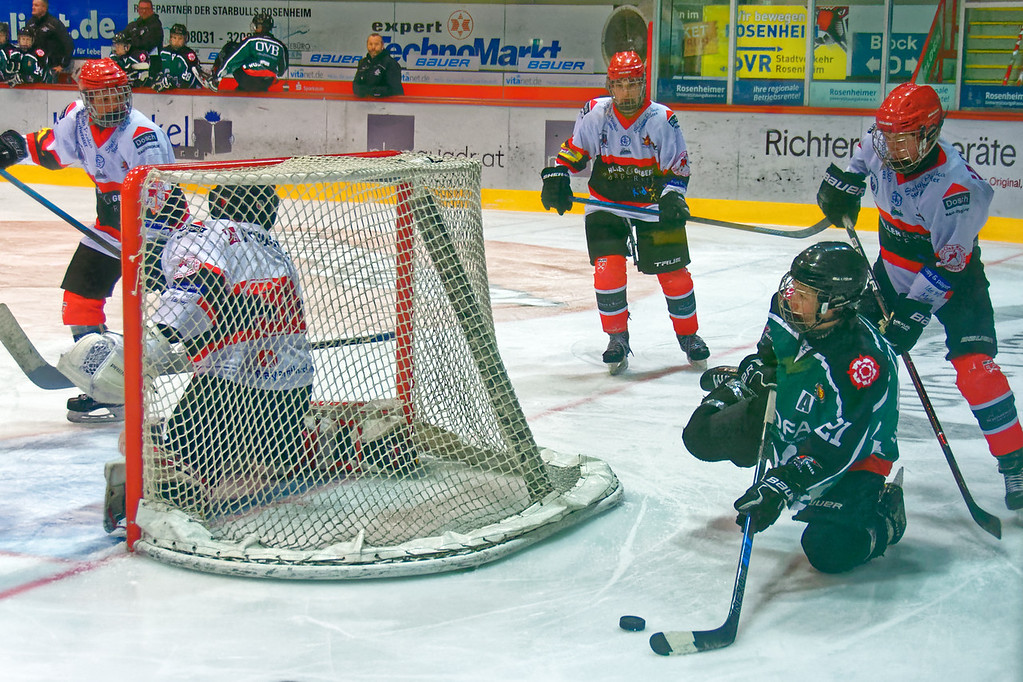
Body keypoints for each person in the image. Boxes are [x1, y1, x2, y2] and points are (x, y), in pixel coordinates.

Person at [816, 82, 1023, 511]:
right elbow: (859, 162)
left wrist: (914, 312)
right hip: (890, 275)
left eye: (903, 137)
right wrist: (843, 185)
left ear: (929, 135)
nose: (890, 146)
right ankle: (848, 456)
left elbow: (950, 263)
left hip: (954, 282)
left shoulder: (957, 190)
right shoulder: (883, 143)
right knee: (854, 360)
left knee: (977, 371)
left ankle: (1015, 461)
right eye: (887, 135)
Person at [60, 185, 315, 527]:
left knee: (180, 467)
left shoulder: (199, 234)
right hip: (293, 392)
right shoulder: (272, 247)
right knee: (264, 453)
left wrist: (149, 349)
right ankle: (302, 441)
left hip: (231, 391)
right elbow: (235, 309)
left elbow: (198, 292)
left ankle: (151, 489)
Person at [683, 242, 905, 574]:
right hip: (791, 415)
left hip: (853, 458)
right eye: (793, 287)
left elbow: (841, 443)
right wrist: (753, 373)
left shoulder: (862, 364)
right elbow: (769, 356)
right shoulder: (786, 308)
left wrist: (782, 484)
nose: (790, 298)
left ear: (835, 305)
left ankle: (884, 512)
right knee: (700, 434)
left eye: (804, 294)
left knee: (829, 549)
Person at [0, 57, 175, 423]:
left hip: (157, 233)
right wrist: (13, 149)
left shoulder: (142, 135)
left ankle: (225, 369)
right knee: (79, 299)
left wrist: (129, 212)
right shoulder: (78, 120)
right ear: (88, 99)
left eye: (119, 95)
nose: (114, 103)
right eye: (104, 98)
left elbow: (160, 196)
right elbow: (49, 150)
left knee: (184, 308)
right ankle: (105, 386)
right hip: (110, 229)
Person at [539, 50, 708, 374]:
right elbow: (575, 152)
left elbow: (677, 169)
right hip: (606, 202)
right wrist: (558, 175)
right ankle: (617, 337)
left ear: (643, 84)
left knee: (674, 274)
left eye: (632, 84)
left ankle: (689, 336)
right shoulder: (595, 113)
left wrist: (673, 197)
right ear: (610, 85)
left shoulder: (662, 118)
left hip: (651, 203)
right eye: (619, 85)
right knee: (608, 269)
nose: (626, 92)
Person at [213, 12, 287, 92]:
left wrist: (218, 76)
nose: (254, 28)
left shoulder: (251, 40)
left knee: (231, 48)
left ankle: (213, 77)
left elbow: (232, 59)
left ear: (260, 27)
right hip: (267, 82)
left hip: (247, 80)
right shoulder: (280, 46)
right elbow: (281, 71)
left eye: (256, 26)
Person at [25, 0, 73, 78]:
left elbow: (68, 44)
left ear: (44, 8)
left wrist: (63, 65)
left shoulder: (54, 24)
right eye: (33, 5)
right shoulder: (30, 23)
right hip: (34, 67)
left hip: (51, 68)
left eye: (36, 5)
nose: (33, 7)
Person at [153, 23, 206, 91]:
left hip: (186, 93)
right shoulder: (163, 52)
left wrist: (173, 84)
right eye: (174, 38)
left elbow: (189, 80)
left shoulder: (189, 54)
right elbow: (156, 71)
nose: (176, 41)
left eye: (180, 38)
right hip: (166, 92)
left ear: (185, 39)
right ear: (170, 38)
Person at [353, 32, 403, 98]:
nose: (373, 47)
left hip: (386, 103)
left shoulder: (391, 63)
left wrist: (371, 92)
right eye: (370, 44)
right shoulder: (362, 63)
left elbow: (395, 90)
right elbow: (355, 86)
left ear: (382, 45)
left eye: (376, 44)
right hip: (365, 103)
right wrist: (363, 91)